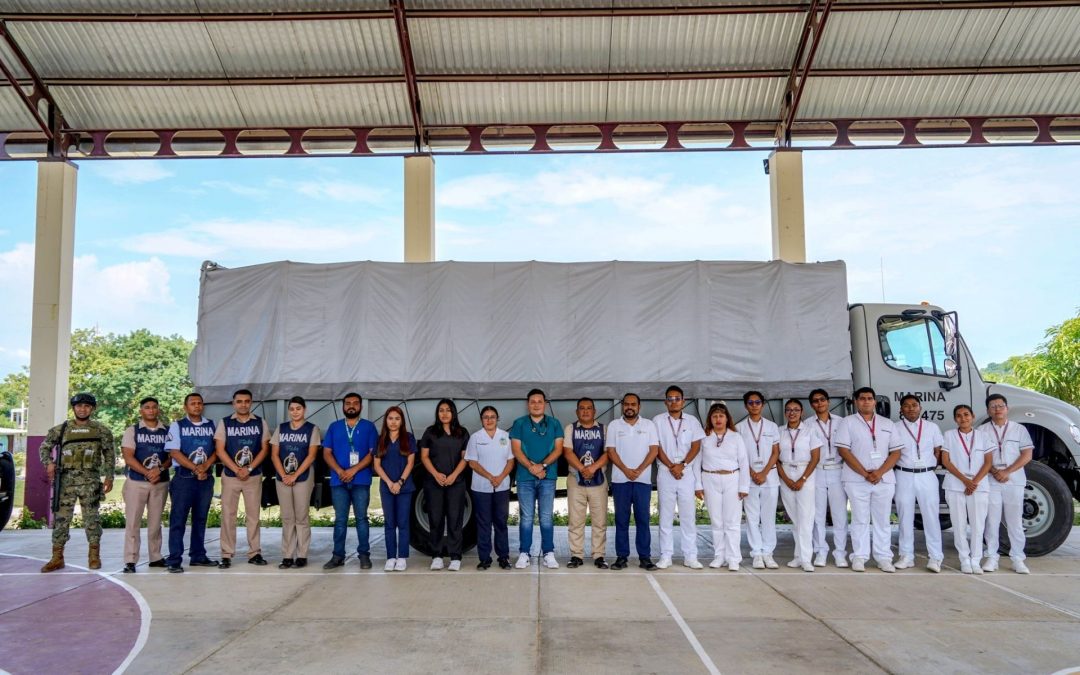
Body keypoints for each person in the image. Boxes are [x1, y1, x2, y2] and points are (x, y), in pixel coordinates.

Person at [39, 393, 115, 573]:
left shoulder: (101, 430)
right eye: (79, 406)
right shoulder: (62, 429)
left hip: (90, 482)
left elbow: (109, 454)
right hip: (65, 482)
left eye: (87, 406)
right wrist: (48, 463)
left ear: (92, 409)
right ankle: (57, 557)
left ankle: (94, 556)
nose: (83, 409)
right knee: (61, 520)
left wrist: (109, 476)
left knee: (92, 519)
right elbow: (44, 446)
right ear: (74, 408)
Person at [835, 387, 903, 573]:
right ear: (856, 402)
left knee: (882, 520)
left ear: (875, 402)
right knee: (860, 519)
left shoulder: (888, 424)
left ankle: (883, 557)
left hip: (884, 479)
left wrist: (879, 472)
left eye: (870, 398)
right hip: (856, 480)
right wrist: (866, 474)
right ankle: (859, 556)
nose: (866, 401)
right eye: (862, 398)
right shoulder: (847, 423)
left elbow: (896, 452)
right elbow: (844, 451)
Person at [214, 388, 270, 568]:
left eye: (247, 401)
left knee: (253, 516)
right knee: (228, 516)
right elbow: (220, 450)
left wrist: (250, 468)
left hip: (253, 476)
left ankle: (254, 553)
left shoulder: (260, 423)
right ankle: (226, 554)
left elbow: (264, 449)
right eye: (239, 401)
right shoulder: (225, 423)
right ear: (234, 403)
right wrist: (237, 469)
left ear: (251, 403)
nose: (243, 404)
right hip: (231, 476)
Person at [322, 392, 378, 570]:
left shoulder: (369, 427)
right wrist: (340, 471)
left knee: (362, 518)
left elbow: (372, 454)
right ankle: (338, 556)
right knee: (340, 520)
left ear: (361, 406)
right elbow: (327, 452)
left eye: (355, 403)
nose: (351, 406)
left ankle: (364, 555)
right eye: (348, 403)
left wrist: (353, 470)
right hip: (339, 481)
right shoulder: (334, 426)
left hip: (361, 479)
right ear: (343, 406)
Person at [510, 389, 564, 570]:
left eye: (539, 401)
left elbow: (558, 449)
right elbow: (516, 450)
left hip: (547, 477)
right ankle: (525, 553)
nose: (536, 404)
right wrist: (531, 467)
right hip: (525, 477)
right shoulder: (519, 424)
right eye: (532, 401)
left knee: (546, 517)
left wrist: (543, 466)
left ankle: (548, 553)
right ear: (528, 404)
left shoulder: (555, 424)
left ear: (545, 404)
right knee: (526, 517)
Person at [653, 385, 706, 570]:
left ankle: (690, 556)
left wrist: (682, 465)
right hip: (666, 471)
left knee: (688, 516)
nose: (674, 402)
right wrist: (671, 466)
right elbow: (656, 447)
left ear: (683, 401)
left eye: (677, 398)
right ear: (665, 401)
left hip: (686, 472)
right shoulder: (658, 420)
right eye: (670, 398)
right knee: (665, 516)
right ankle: (666, 555)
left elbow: (696, 446)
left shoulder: (692, 421)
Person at [164, 393, 218, 573]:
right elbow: (174, 452)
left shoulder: (211, 425)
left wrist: (205, 467)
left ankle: (197, 555)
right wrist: (196, 468)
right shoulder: (177, 425)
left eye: (199, 403)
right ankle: (174, 559)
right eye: (193, 403)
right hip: (184, 478)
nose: (197, 406)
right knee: (178, 519)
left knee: (200, 518)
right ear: (185, 407)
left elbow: (218, 450)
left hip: (205, 478)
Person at [981, 393, 1034, 574]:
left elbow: (1027, 454)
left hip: (1014, 479)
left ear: (1007, 408)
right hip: (991, 479)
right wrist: (995, 471)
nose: (997, 409)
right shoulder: (982, 431)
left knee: (1015, 521)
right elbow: (979, 457)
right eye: (993, 407)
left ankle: (1018, 558)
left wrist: (1007, 471)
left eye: (1000, 406)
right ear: (988, 411)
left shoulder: (1019, 429)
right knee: (992, 520)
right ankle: (991, 557)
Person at [606, 393, 660, 571]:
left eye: (633, 404)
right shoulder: (614, 425)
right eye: (627, 404)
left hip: (642, 480)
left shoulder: (649, 425)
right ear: (622, 406)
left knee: (643, 519)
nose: (630, 407)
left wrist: (638, 470)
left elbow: (653, 450)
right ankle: (622, 557)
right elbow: (611, 451)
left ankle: (645, 557)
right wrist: (626, 470)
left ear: (639, 406)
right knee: (621, 520)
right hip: (621, 480)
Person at [893, 395, 945, 573]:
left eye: (914, 405)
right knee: (904, 516)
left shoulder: (932, 427)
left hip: (927, 475)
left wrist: (930, 465)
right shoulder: (895, 428)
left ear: (920, 407)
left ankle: (935, 557)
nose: (911, 409)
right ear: (901, 409)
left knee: (931, 516)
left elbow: (938, 451)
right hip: (904, 475)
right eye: (906, 406)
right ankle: (906, 556)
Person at [120, 397, 172, 573]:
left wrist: (160, 469)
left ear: (158, 410)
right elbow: (128, 456)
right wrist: (147, 472)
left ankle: (155, 557)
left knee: (155, 522)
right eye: (147, 407)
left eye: (154, 407)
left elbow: (172, 456)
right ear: (141, 411)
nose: (151, 410)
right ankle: (130, 560)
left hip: (160, 482)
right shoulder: (132, 430)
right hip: (137, 482)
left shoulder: (167, 430)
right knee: (133, 522)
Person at [696, 402, 749, 571]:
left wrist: (744, 487)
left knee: (732, 522)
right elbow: (696, 462)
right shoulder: (704, 437)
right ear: (710, 419)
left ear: (727, 418)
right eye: (714, 416)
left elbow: (744, 462)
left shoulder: (736, 437)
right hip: (710, 479)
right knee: (717, 521)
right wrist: (698, 485)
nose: (718, 419)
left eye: (721, 416)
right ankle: (719, 556)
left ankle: (733, 558)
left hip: (732, 478)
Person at [941, 404, 993, 574]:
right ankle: (964, 559)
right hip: (956, 485)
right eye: (959, 415)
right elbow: (946, 461)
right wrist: (965, 481)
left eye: (966, 414)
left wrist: (974, 482)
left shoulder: (983, 436)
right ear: (955, 419)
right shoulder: (949, 435)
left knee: (978, 525)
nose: (963, 418)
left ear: (972, 416)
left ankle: (976, 560)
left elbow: (988, 462)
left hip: (978, 486)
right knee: (959, 524)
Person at [270, 396, 320, 569]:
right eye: (292, 409)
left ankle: (302, 555)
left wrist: (295, 475)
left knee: (301, 516)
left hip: (303, 477)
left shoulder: (312, 429)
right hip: (283, 477)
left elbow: (311, 455)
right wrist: (284, 474)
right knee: (287, 517)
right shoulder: (281, 428)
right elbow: (274, 454)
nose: (295, 412)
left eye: (298, 408)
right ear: (288, 410)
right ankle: (287, 555)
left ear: (304, 409)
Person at [420, 399, 469, 571]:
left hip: (456, 482)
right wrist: (435, 474)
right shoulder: (430, 432)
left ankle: (455, 557)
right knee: (436, 519)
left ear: (453, 413)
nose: (445, 413)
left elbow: (465, 458)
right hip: (434, 483)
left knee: (455, 519)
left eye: (448, 410)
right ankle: (437, 556)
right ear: (437, 413)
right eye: (441, 410)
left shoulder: (462, 433)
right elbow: (424, 456)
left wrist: (454, 475)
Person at [563, 397, 610, 569]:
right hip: (576, 480)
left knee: (599, 520)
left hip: (598, 481)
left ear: (594, 411)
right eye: (581, 408)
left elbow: (608, 453)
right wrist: (583, 468)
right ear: (577, 412)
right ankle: (576, 555)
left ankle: (599, 555)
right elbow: (567, 452)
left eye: (589, 408)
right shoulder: (571, 428)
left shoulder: (603, 429)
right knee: (576, 520)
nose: (585, 411)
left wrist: (593, 468)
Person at [466, 406, 514, 570]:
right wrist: (490, 477)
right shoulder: (475, 437)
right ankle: (485, 558)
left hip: (501, 487)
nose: (489, 420)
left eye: (492, 417)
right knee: (484, 523)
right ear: (481, 420)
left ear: (497, 418)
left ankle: (503, 557)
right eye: (486, 417)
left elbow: (510, 461)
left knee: (501, 522)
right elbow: (472, 462)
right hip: (481, 487)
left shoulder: (505, 436)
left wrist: (499, 478)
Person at [776, 399, 822, 573]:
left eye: (796, 410)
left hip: (805, 473)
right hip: (786, 472)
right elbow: (775, 457)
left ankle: (806, 558)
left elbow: (815, 457)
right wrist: (786, 479)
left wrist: (802, 478)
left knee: (806, 517)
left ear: (802, 412)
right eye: (788, 410)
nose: (792, 413)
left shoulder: (810, 431)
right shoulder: (779, 432)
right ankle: (798, 556)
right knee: (795, 517)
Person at [738, 390, 781, 570]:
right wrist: (752, 473)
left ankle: (768, 553)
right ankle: (756, 553)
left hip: (769, 476)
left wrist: (763, 472)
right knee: (752, 517)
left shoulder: (771, 426)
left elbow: (775, 452)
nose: (754, 405)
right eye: (750, 402)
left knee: (768, 517)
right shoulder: (739, 427)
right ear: (746, 405)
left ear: (762, 404)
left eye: (757, 402)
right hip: (749, 477)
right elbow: (739, 455)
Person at [808, 388, 848, 568]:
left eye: (822, 399)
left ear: (828, 401)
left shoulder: (842, 422)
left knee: (839, 514)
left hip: (838, 470)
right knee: (817, 515)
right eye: (815, 401)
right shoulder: (807, 424)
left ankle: (840, 553)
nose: (819, 403)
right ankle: (820, 552)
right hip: (817, 470)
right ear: (811, 405)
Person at [373, 406, 415, 572]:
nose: (393, 422)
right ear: (386, 420)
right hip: (387, 487)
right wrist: (390, 483)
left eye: (397, 418)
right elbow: (377, 464)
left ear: (401, 421)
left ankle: (402, 557)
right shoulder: (380, 439)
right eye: (390, 418)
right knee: (390, 523)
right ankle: (391, 557)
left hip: (405, 487)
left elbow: (410, 462)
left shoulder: (408, 438)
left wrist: (400, 482)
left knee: (403, 522)